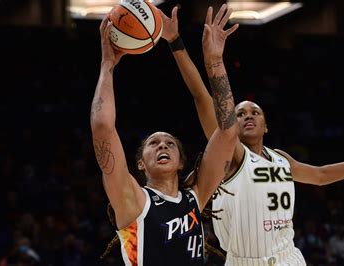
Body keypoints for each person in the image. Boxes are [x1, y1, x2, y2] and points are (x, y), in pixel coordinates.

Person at [161, 4, 344, 265]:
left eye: (255, 112)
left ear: (266, 126)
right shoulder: (229, 156)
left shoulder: (280, 159)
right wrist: (177, 43)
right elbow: (201, 98)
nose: (248, 116)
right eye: (239, 114)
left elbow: (321, 176)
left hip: (289, 258)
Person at [90, 5, 239, 266]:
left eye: (170, 143)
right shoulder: (133, 200)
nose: (163, 146)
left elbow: (227, 132)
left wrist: (213, 62)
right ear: (140, 163)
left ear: (181, 161)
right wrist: (107, 65)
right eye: (153, 143)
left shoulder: (196, 197)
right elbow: (102, 127)